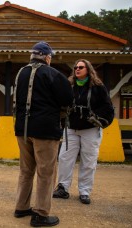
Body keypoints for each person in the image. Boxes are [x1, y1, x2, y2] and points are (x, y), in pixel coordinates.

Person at [13, 41, 73, 227]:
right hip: (45, 130)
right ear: (47, 57)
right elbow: (68, 99)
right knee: (46, 172)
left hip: (22, 129)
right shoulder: (52, 73)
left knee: (26, 170)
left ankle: (21, 207)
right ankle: (40, 214)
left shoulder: (20, 73)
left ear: (32, 56)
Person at [53, 59, 114, 204]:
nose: (77, 69)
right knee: (64, 158)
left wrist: (96, 117)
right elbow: (60, 103)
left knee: (89, 160)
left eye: (81, 67)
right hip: (71, 128)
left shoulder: (98, 87)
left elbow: (107, 107)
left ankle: (85, 191)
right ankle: (63, 187)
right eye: (75, 67)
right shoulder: (69, 86)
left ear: (88, 69)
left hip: (91, 129)